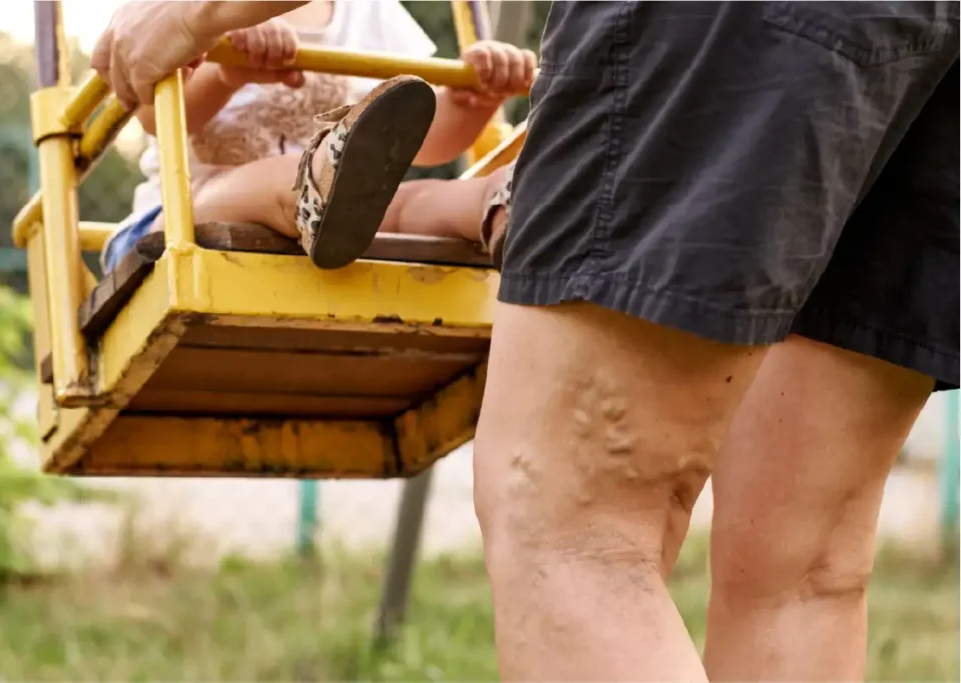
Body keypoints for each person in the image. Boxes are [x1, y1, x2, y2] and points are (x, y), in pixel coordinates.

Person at [94, 1, 960, 680]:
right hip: (198, 206)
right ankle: (462, 201)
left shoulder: (371, 14)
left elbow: (426, 129)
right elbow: (164, 112)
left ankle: (502, 207)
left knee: (578, 527)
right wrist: (223, 34)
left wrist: (467, 100)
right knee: (803, 572)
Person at [99, 0, 528, 272]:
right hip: (185, 212)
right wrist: (224, 73)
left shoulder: (372, 10)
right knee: (286, 174)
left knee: (410, 199)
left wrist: (471, 99)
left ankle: (508, 199)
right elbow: (153, 115)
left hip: (347, 205)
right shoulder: (181, 9)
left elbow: (426, 138)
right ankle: (323, 180)